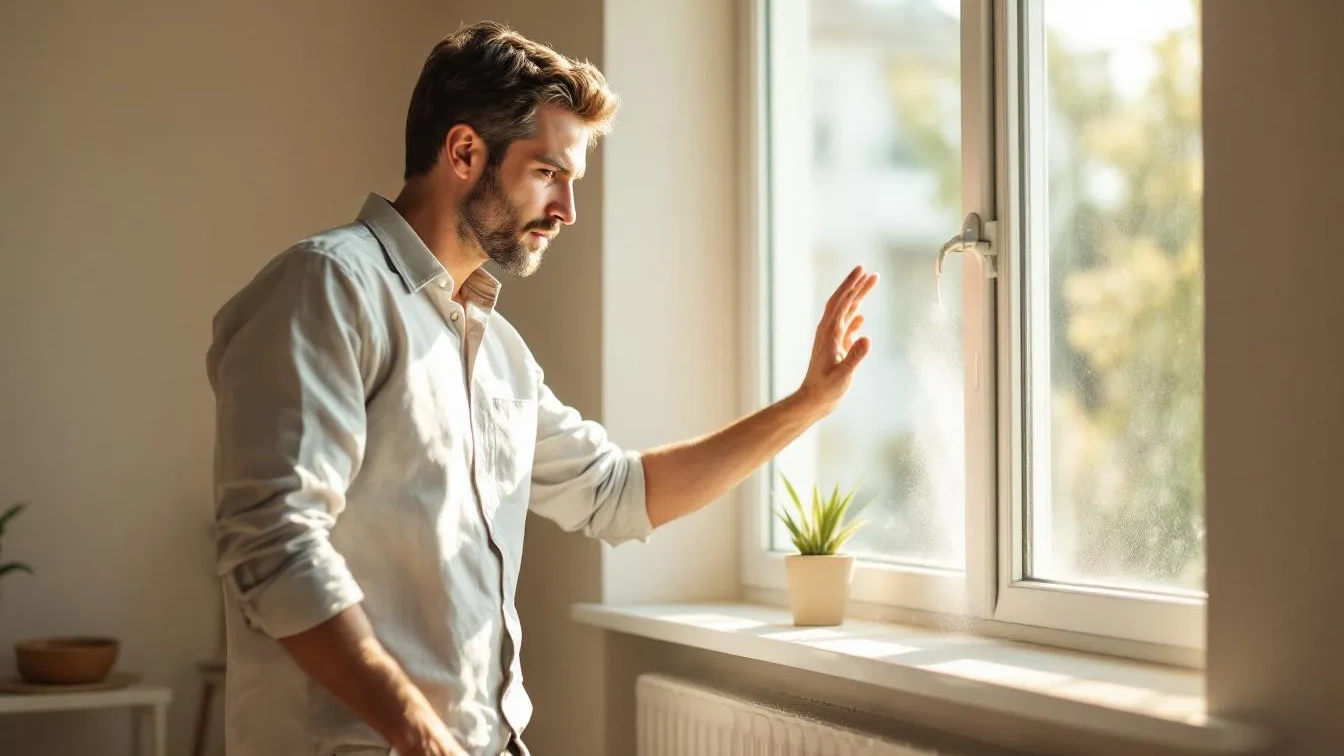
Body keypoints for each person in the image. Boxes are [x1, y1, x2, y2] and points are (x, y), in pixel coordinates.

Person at [206, 20, 877, 756]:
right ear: (465, 152)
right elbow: (275, 546)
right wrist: (419, 736)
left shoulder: (500, 355)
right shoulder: (329, 286)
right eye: (548, 173)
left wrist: (807, 404)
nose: (568, 212)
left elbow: (618, 493)